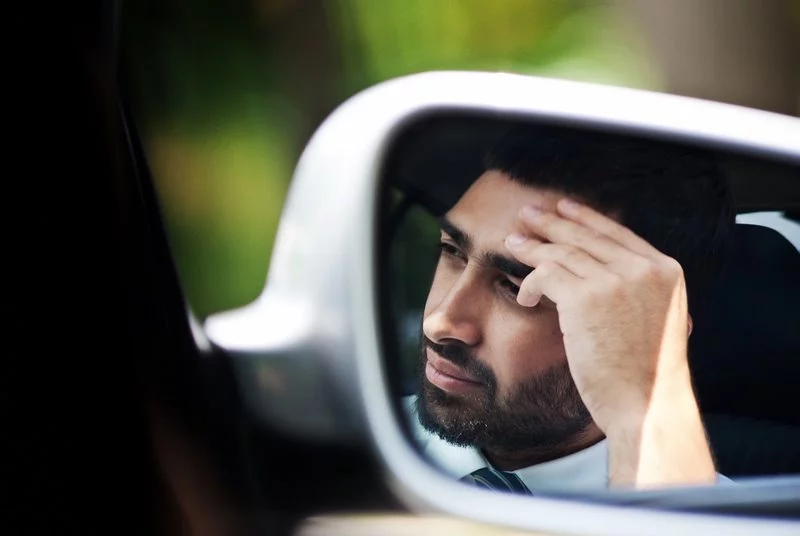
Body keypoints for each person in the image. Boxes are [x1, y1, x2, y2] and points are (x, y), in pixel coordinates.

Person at [404, 123, 736, 493]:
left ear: (654, 332)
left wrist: (646, 414)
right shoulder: (362, 435)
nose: (439, 323)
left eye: (516, 287)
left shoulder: (736, 515)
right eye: (452, 251)